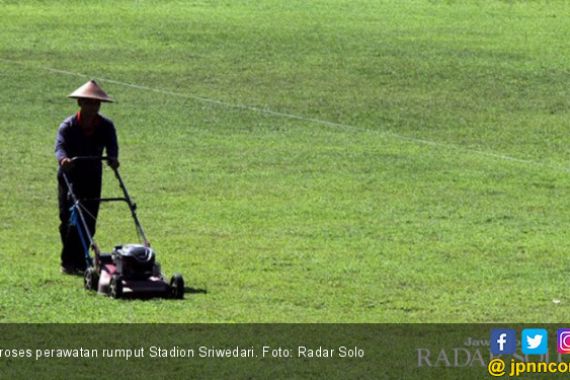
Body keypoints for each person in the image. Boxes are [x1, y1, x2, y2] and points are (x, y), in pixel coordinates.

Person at [55, 80, 120, 275]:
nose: (93, 107)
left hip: (93, 175)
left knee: (89, 219)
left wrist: (113, 158)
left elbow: (112, 146)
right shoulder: (68, 126)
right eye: (89, 103)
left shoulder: (106, 126)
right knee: (68, 218)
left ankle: (82, 259)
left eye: (96, 104)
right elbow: (59, 147)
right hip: (70, 176)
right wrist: (63, 159)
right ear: (80, 103)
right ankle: (69, 262)